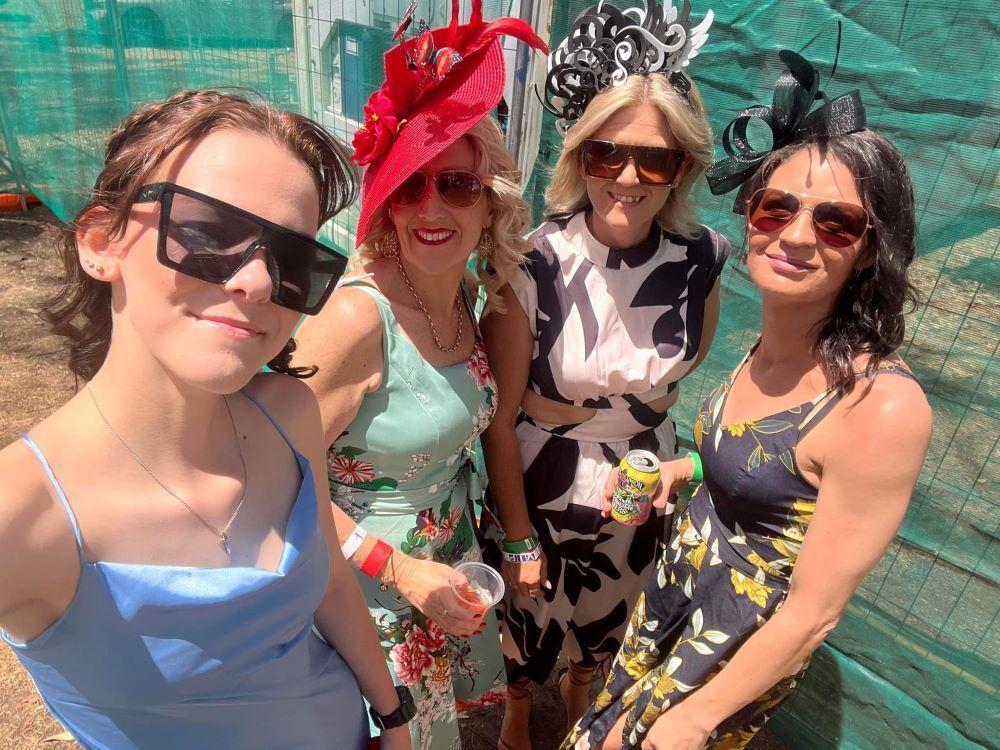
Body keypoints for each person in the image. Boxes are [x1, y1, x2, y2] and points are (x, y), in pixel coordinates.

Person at [0, 90, 412, 749]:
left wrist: (394, 719)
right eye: (206, 233)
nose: (255, 281)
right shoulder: (24, 512)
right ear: (103, 243)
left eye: (292, 261)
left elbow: (331, 580)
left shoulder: (288, 414)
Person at [562, 46, 933, 750]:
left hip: (727, 653)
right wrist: (687, 469)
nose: (795, 235)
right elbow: (769, 473)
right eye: (776, 207)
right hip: (672, 605)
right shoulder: (768, 346)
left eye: (836, 223)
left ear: (868, 250)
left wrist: (694, 719)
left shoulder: (881, 405)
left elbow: (813, 614)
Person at [290, 2, 547, 748]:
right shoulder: (356, 321)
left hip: (441, 569)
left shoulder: (465, 293)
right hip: (363, 593)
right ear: (387, 203)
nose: (431, 206)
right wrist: (398, 571)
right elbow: (276, 477)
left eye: (457, 185)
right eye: (410, 185)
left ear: (489, 198)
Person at [480, 2, 730, 746]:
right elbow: (499, 417)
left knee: (611, 610)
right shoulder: (533, 259)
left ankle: (584, 691)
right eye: (606, 153)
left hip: (640, 476)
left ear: (681, 166)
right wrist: (519, 536)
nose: (628, 176)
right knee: (527, 609)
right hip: (543, 473)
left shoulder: (703, 258)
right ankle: (522, 705)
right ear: (580, 156)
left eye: (653, 159)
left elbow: (676, 377)